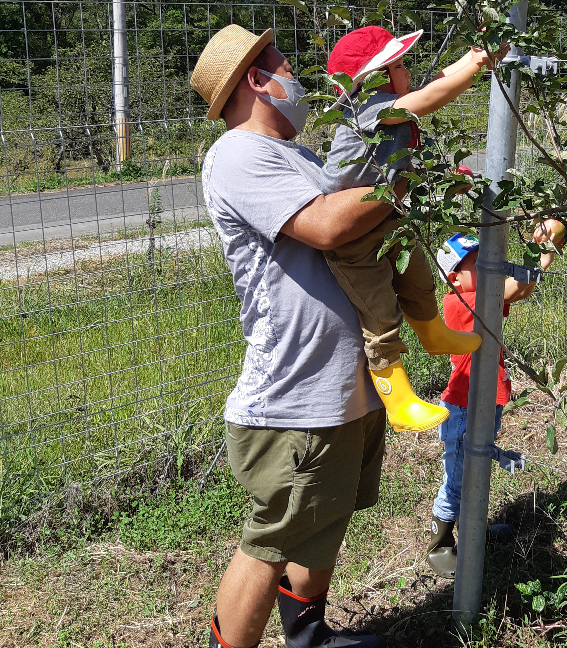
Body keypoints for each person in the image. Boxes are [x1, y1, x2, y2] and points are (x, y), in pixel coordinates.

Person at [190, 24, 404, 648]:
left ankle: (307, 637)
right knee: (272, 538)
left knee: (322, 518)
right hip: (293, 395)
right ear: (258, 80)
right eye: (288, 70)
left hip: (342, 387)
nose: (298, 83)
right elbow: (329, 226)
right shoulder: (238, 154)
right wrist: (401, 181)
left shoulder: (301, 157)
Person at [319, 26, 508, 433]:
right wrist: (476, 66)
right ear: (375, 80)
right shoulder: (366, 108)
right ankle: (400, 401)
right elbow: (427, 98)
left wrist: (475, 55)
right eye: (400, 65)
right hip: (352, 236)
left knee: (418, 278)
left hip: (385, 218)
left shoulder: (386, 102)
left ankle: (433, 333)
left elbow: (430, 86)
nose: (409, 72)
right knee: (379, 314)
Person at [425, 224, 562, 579]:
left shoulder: (479, 297)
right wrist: (542, 255)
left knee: (477, 469)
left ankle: (473, 531)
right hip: (464, 406)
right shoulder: (461, 301)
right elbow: (514, 287)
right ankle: (439, 545)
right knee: (458, 476)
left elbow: (519, 291)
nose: (486, 266)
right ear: (454, 277)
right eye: (475, 263)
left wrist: (543, 256)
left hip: (485, 400)